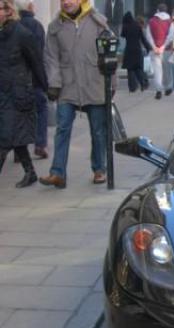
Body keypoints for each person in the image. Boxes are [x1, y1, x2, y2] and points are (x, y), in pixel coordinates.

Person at [39, 0, 112, 189]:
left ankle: (99, 169)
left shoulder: (98, 22)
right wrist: (53, 83)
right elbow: (51, 58)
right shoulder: (55, 27)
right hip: (67, 86)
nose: (66, 2)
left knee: (98, 131)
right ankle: (57, 173)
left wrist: (110, 82)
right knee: (62, 129)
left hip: (93, 83)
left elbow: (109, 54)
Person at [0, 0, 47, 187]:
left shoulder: (22, 34)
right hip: (3, 93)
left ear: (8, 11)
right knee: (14, 137)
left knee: (4, 138)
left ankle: (30, 173)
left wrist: (46, 88)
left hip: (17, 94)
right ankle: (31, 173)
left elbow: (36, 62)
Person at [15, 0, 48, 160]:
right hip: (33, 78)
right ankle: (40, 144)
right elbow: (39, 54)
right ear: (29, 7)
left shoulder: (13, 26)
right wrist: (44, 81)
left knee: (19, 114)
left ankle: (18, 150)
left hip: (17, 80)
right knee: (41, 110)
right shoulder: (36, 25)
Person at [145, 4, 174, 100]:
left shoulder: (151, 21)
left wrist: (154, 47)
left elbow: (148, 36)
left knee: (157, 71)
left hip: (155, 50)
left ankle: (158, 90)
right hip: (166, 49)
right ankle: (168, 87)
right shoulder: (170, 22)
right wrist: (163, 47)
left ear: (157, 10)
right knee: (167, 70)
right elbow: (170, 36)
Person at [121, 11, 151, 93]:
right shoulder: (137, 26)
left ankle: (132, 87)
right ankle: (143, 83)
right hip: (137, 50)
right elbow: (143, 39)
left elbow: (122, 35)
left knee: (130, 69)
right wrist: (148, 47)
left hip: (129, 50)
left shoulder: (126, 27)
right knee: (138, 69)